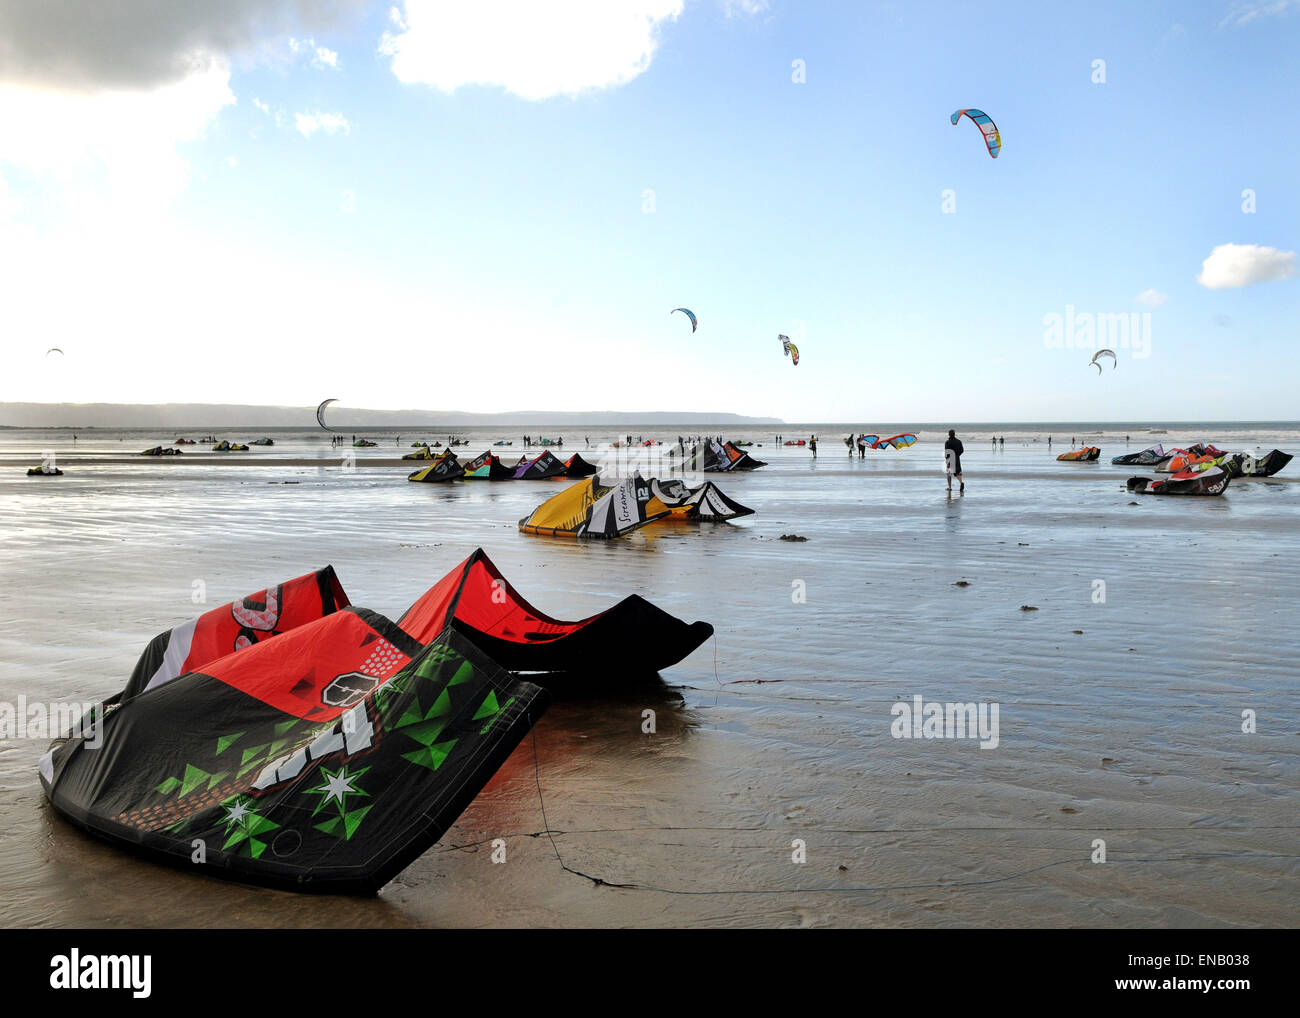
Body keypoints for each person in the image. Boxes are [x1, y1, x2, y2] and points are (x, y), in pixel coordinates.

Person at [944, 428, 965, 493]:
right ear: (954, 434)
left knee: (949, 474)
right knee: (958, 472)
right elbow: (962, 450)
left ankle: (950, 487)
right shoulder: (959, 441)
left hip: (950, 459)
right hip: (957, 458)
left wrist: (946, 458)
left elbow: (947, 452)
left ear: (949, 434)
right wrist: (958, 455)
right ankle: (961, 482)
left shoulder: (947, 442)